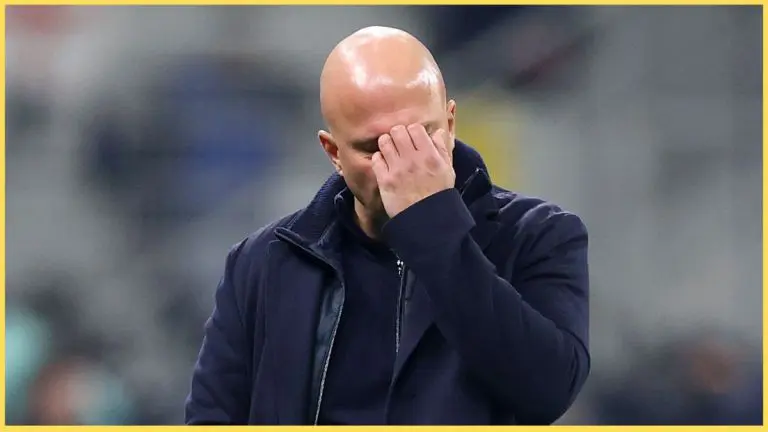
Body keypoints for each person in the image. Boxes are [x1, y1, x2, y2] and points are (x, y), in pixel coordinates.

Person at [185, 26, 590, 425]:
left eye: (421, 136)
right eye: (373, 147)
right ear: (333, 152)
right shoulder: (262, 263)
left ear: (450, 125)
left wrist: (435, 228)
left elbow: (548, 392)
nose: (401, 164)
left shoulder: (537, 235)